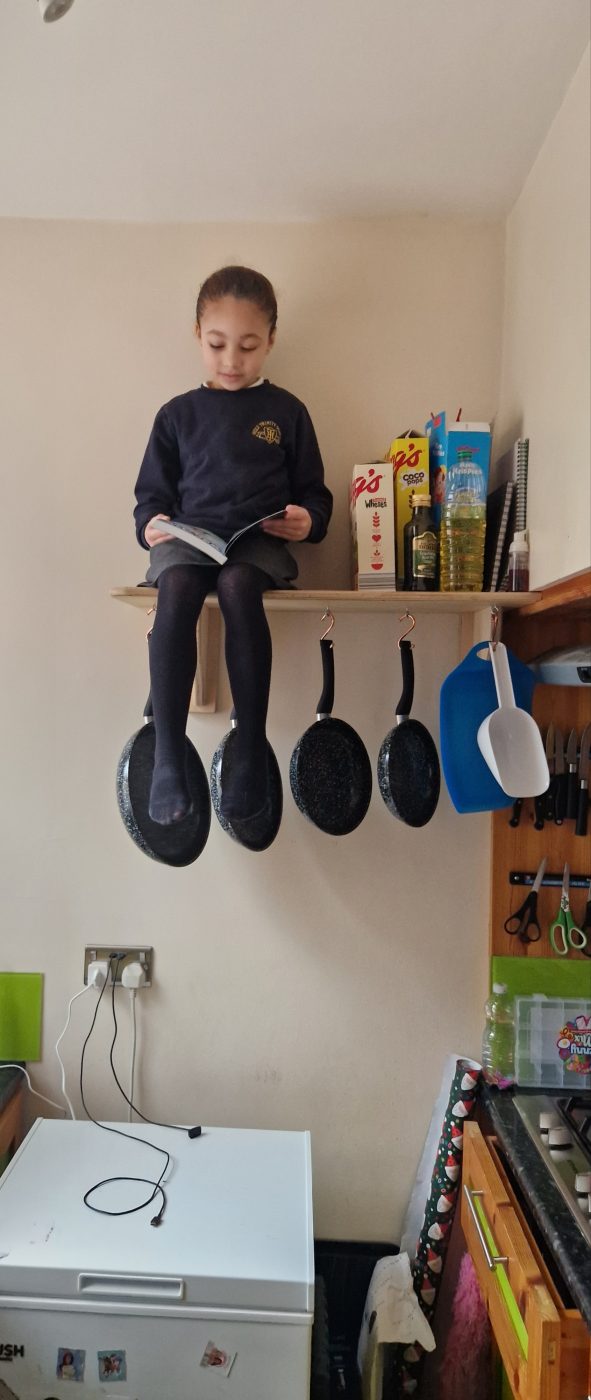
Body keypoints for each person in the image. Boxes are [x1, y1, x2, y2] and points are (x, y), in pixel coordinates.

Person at [134, 265, 333, 826]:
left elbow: (315, 496)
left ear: (270, 340)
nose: (231, 360)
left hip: (256, 543)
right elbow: (150, 497)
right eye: (217, 344)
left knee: (239, 585)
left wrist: (307, 522)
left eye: (247, 347)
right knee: (176, 588)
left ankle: (248, 747)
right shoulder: (176, 415)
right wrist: (151, 525)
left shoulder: (287, 411)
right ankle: (168, 753)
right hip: (189, 541)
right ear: (198, 334)